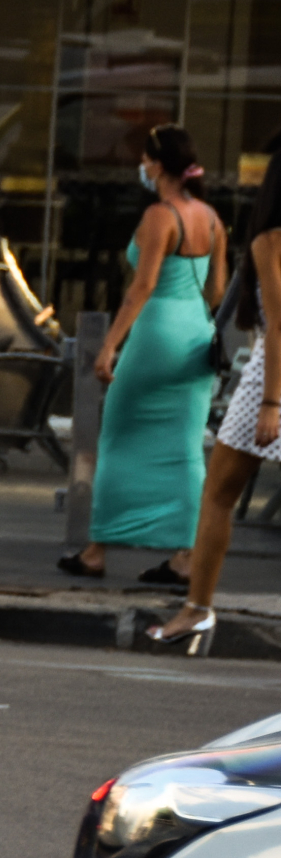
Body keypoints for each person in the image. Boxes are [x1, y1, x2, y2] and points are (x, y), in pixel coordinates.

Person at [60, 123, 225, 581]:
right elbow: (217, 288)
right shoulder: (211, 218)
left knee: (118, 437)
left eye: (146, 158)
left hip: (156, 335)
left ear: (158, 164)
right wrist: (193, 318)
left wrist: (109, 345)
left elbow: (142, 287)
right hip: (196, 333)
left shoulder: (159, 215)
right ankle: (186, 557)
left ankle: (96, 551)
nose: (142, 166)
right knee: (185, 447)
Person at [145, 138, 281, 648]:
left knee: (218, 493)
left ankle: (197, 609)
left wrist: (271, 402)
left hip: (274, 375)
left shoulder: (271, 238)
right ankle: (195, 608)